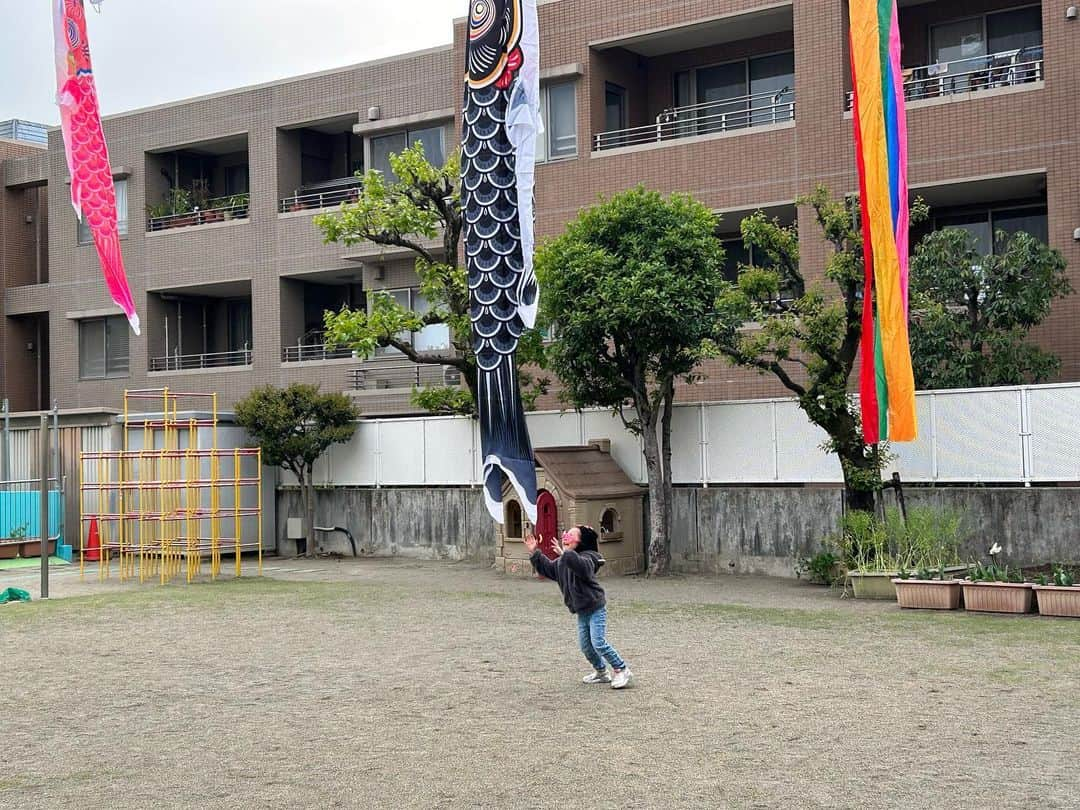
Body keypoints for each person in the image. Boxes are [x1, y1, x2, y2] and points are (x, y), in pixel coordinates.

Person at [524, 525, 633, 689]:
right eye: (567, 534)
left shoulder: (590, 557)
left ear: (581, 541)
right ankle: (602, 672)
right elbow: (548, 568)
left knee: (599, 643)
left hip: (595, 607)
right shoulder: (564, 561)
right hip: (581, 611)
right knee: (586, 647)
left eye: (571, 535)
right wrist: (535, 552)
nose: (566, 536)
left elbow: (582, 567)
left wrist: (566, 553)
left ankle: (622, 669)